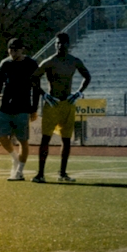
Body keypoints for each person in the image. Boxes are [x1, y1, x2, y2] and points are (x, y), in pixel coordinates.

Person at [31, 32, 91, 183]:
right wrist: (44, 94)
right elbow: (33, 78)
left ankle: (63, 173)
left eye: (62, 43)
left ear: (68, 44)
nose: (59, 46)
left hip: (68, 104)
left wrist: (78, 93)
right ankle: (40, 174)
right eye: (57, 43)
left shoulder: (74, 61)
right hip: (52, 103)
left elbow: (87, 76)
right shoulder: (50, 61)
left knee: (66, 140)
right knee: (46, 138)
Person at [0, 38, 40, 181]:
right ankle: (15, 158)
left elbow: (36, 88)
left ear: (22, 49)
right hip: (5, 107)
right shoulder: (5, 63)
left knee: (23, 140)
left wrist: (34, 109)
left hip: (23, 107)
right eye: (10, 49)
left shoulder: (31, 64)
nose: (13, 52)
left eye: (16, 49)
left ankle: (19, 171)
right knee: (0, 136)